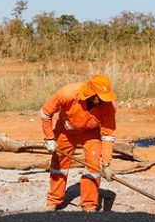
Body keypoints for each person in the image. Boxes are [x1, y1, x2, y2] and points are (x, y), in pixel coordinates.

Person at [39, 74, 117, 212]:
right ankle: (53, 201)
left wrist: (106, 164)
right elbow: (45, 113)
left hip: (90, 134)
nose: (105, 101)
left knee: (94, 165)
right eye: (101, 98)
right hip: (66, 132)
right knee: (59, 165)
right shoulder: (68, 94)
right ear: (92, 93)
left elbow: (108, 136)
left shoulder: (109, 106)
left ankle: (89, 205)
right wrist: (49, 138)